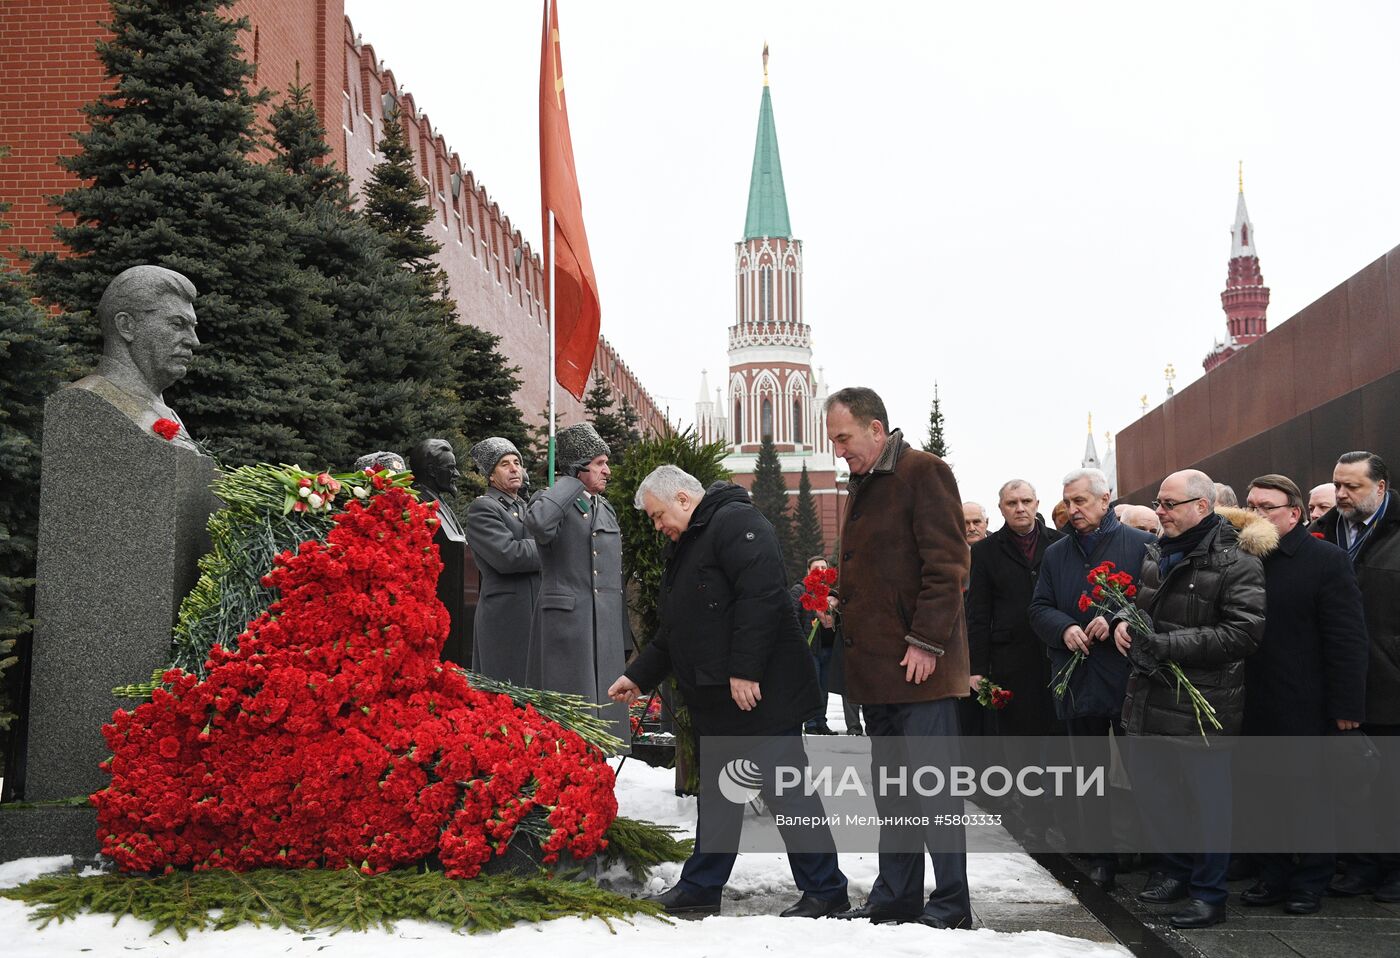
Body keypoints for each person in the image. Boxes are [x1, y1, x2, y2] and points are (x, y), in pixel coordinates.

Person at [609, 465, 849, 918]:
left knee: (787, 792)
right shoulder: (690, 539)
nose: (658, 526)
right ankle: (701, 887)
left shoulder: (738, 522)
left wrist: (745, 670)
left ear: (682, 498)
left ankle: (826, 890)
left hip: (759, 694)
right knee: (719, 797)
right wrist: (639, 675)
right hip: (722, 698)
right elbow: (677, 627)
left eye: (658, 515)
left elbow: (762, 599)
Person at [823, 386, 972, 930]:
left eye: (844, 437)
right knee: (895, 794)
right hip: (880, 673)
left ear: (876, 429)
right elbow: (884, 568)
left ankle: (952, 904)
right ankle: (898, 896)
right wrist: (841, 598)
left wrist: (927, 641)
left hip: (920, 670)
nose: (839, 449)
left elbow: (949, 566)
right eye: (834, 440)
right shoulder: (864, 483)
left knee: (933, 792)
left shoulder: (922, 472)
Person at [1113, 470, 1266, 929]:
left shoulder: (1237, 559)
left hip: (1204, 706)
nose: (1159, 511)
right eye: (1158, 502)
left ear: (1202, 506)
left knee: (1208, 806)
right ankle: (1175, 873)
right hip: (1149, 696)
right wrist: (1124, 618)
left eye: (1169, 504)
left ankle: (1209, 895)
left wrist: (1166, 643)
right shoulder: (1158, 552)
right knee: (1160, 799)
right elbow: (1146, 605)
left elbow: (1244, 633)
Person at [1239, 475, 1367, 915]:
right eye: (1250, 506)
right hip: (1251, 700)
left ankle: (1310, 881)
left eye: (1266, 507)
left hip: (1305, 701)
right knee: (1262, 795)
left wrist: (1347, 708)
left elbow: (1347, 639)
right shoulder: (1239, 557)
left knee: (1310, 799)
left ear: (1294, 513)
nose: (1255, 515)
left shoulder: (1326, 560)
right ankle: (1272, 876)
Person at [1030, 467, 1155, 890]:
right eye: (1067, 502)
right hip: (1077, 673)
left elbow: (1155, 600)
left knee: (1144, 770)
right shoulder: (1056, 554)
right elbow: (1039, 606)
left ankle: (1153, 851)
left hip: (1128, 677)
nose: (1072, 509)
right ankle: (1101, 856)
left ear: (1106, 500)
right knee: (1089, 772)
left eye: (1080, 501)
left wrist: (1118, 616)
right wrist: (1064, 628)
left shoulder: (1141, 545)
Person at [1313, 451, 1400, 902]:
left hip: (1390, 682)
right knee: (1351, 782)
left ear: (1381, 488)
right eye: (1338, 485)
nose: (1341, 495)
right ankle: (1363, 864)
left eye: (1353, 487)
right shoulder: (1325, 534)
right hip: (1339, 682)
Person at [524, 422, 629, 745]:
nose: (607, 471)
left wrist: (622, 631)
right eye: (599, 463)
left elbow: (613, 576)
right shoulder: (553, 501)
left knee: (601, 719)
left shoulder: (604, 508)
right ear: (577, 468)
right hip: (566, 629)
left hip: (603, 628)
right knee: (567, 724)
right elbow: (538, 524)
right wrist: (569, 482)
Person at [968, 480, 1063, 737]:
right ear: (1001, 508)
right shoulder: (984, 552)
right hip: (1009, 662)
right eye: (1012, 503)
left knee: (1061, 742)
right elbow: (978, 612)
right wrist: (976, 668)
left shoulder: (1061, 543)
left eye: (1026, 501)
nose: (1020, 508)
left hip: (1056, 657)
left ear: (1037, 504)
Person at [73, 264, 201, 450]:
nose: (193, 341)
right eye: (177, 324)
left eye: (193, 327)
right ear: (127, 326)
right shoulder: (88, 400)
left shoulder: (165, 411)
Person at [464, 438, 540, 686]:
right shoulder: (484, 508)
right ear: (490, 476)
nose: (514, 468)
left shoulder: (524, 506)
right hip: (506, 619)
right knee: (508, 696)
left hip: (533, 614)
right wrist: (549, 549)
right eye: (504, 464)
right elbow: (508, 557)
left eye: (517, 462)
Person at [409, 438, 472, 665]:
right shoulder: (420, 503)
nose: (456, 474)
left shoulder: (437, 501)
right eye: (451, 469)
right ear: (433, 472)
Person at [790, 555, 839, 734]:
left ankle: (821, 722)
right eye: (817, 568)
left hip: (828, 647)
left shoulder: (830, 593)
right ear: (808, 571)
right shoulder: (799, 590)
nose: (821, 572)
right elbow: (792, 617)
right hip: (809, 647)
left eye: (824, 568)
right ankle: (810, 723)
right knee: (812, 686)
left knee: (824, 687)